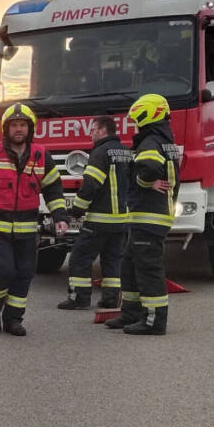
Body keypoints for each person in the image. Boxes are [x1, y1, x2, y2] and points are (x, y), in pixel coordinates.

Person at [0, 104, 69, 336]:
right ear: (6, 129)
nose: (18, 129)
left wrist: (60, 216)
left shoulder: (41, 155)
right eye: (14, 125)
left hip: (27, 228)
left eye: (23, 125)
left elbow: (53, 189)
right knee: (4, 271)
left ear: (30, 129)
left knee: (24, 273)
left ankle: (13, 319)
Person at [105, 93, 179, 335]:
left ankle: (154, 321)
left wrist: (144, 181)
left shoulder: (150, 142)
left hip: (149, 216)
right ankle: (131, 312)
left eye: (136, 120)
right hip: (147, 216)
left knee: (148, 269)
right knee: (129, 265)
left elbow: (149, 168)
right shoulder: (162, 140)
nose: (134, 125)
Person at [57, 115, 131, 310]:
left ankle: (79, 299)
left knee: (80, 257)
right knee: (113, 260)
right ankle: (111, 299)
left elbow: (91, 185)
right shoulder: (126, 152)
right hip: (122, 221)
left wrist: (76, 210)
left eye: (93, 130)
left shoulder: (100, 153)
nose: (91, 134)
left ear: (102, 131)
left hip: (99, 219)